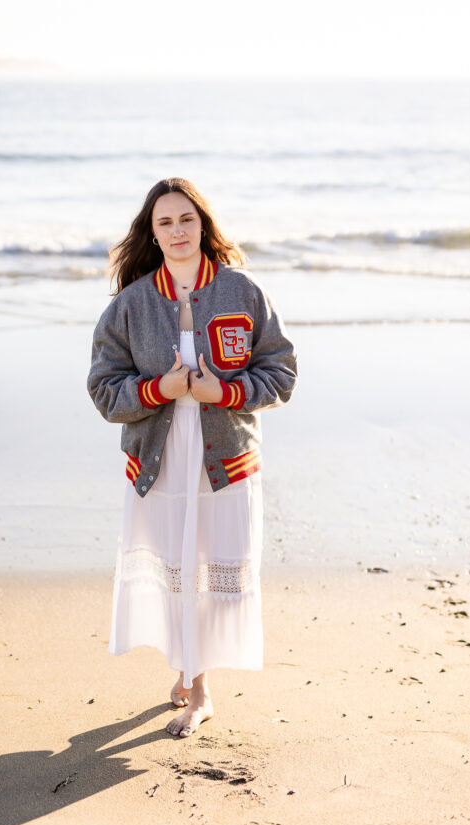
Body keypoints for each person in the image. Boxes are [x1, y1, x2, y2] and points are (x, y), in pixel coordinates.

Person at [88, 178, 297, 738]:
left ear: (203, 224)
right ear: (151, 234)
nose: (177, 231)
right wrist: (160, 388)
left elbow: (281, 374)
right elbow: (105, 390)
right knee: (176, 569)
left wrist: (220, 393)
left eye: (186, 219)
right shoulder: (130, 306)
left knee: (209, 565)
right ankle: (191, 676)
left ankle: (198, 688)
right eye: (165, 223)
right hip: (158, 462)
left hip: (223, 460)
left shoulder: (243, 291)